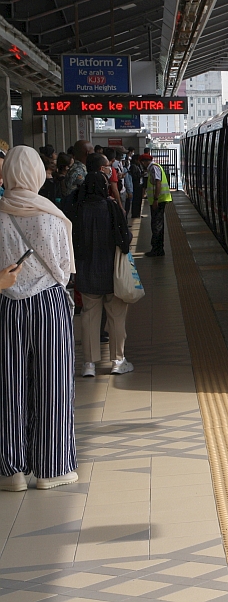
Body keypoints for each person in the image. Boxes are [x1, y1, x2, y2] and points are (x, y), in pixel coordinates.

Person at [0, 146, 78, 491]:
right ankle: (53, 467)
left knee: (8, 385)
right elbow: (64, 268)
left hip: (5, 305)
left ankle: (11, 470)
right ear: (35, 175)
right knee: (54, 383)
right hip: (48, 303)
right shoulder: (52, 216)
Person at [71, 165, 133, 377]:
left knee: (89, 317)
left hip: (86, 272)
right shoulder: (111, 206)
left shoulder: (78, 209)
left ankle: (89, 364)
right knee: (116, 316)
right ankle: (118, 360)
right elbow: (125, 238)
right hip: (111, 272)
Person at [141, 153, 172, 257]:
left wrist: (155, 199)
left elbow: (158, 183)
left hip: (158, 201)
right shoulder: (153, 168)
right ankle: (158, 248)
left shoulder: (154, 168)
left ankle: (157, 250)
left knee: (157, 225)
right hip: (158, 200)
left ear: (144, 162)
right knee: (157, 224)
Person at [129, 154, 145, 218]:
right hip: (136, 186)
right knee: (136, 200)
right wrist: (141, 175)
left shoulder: (138, 166)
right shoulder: (133, 166)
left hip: (139, 185)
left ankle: (138, 213)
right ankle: (135, 214)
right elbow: (134, 176)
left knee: (139, 200)